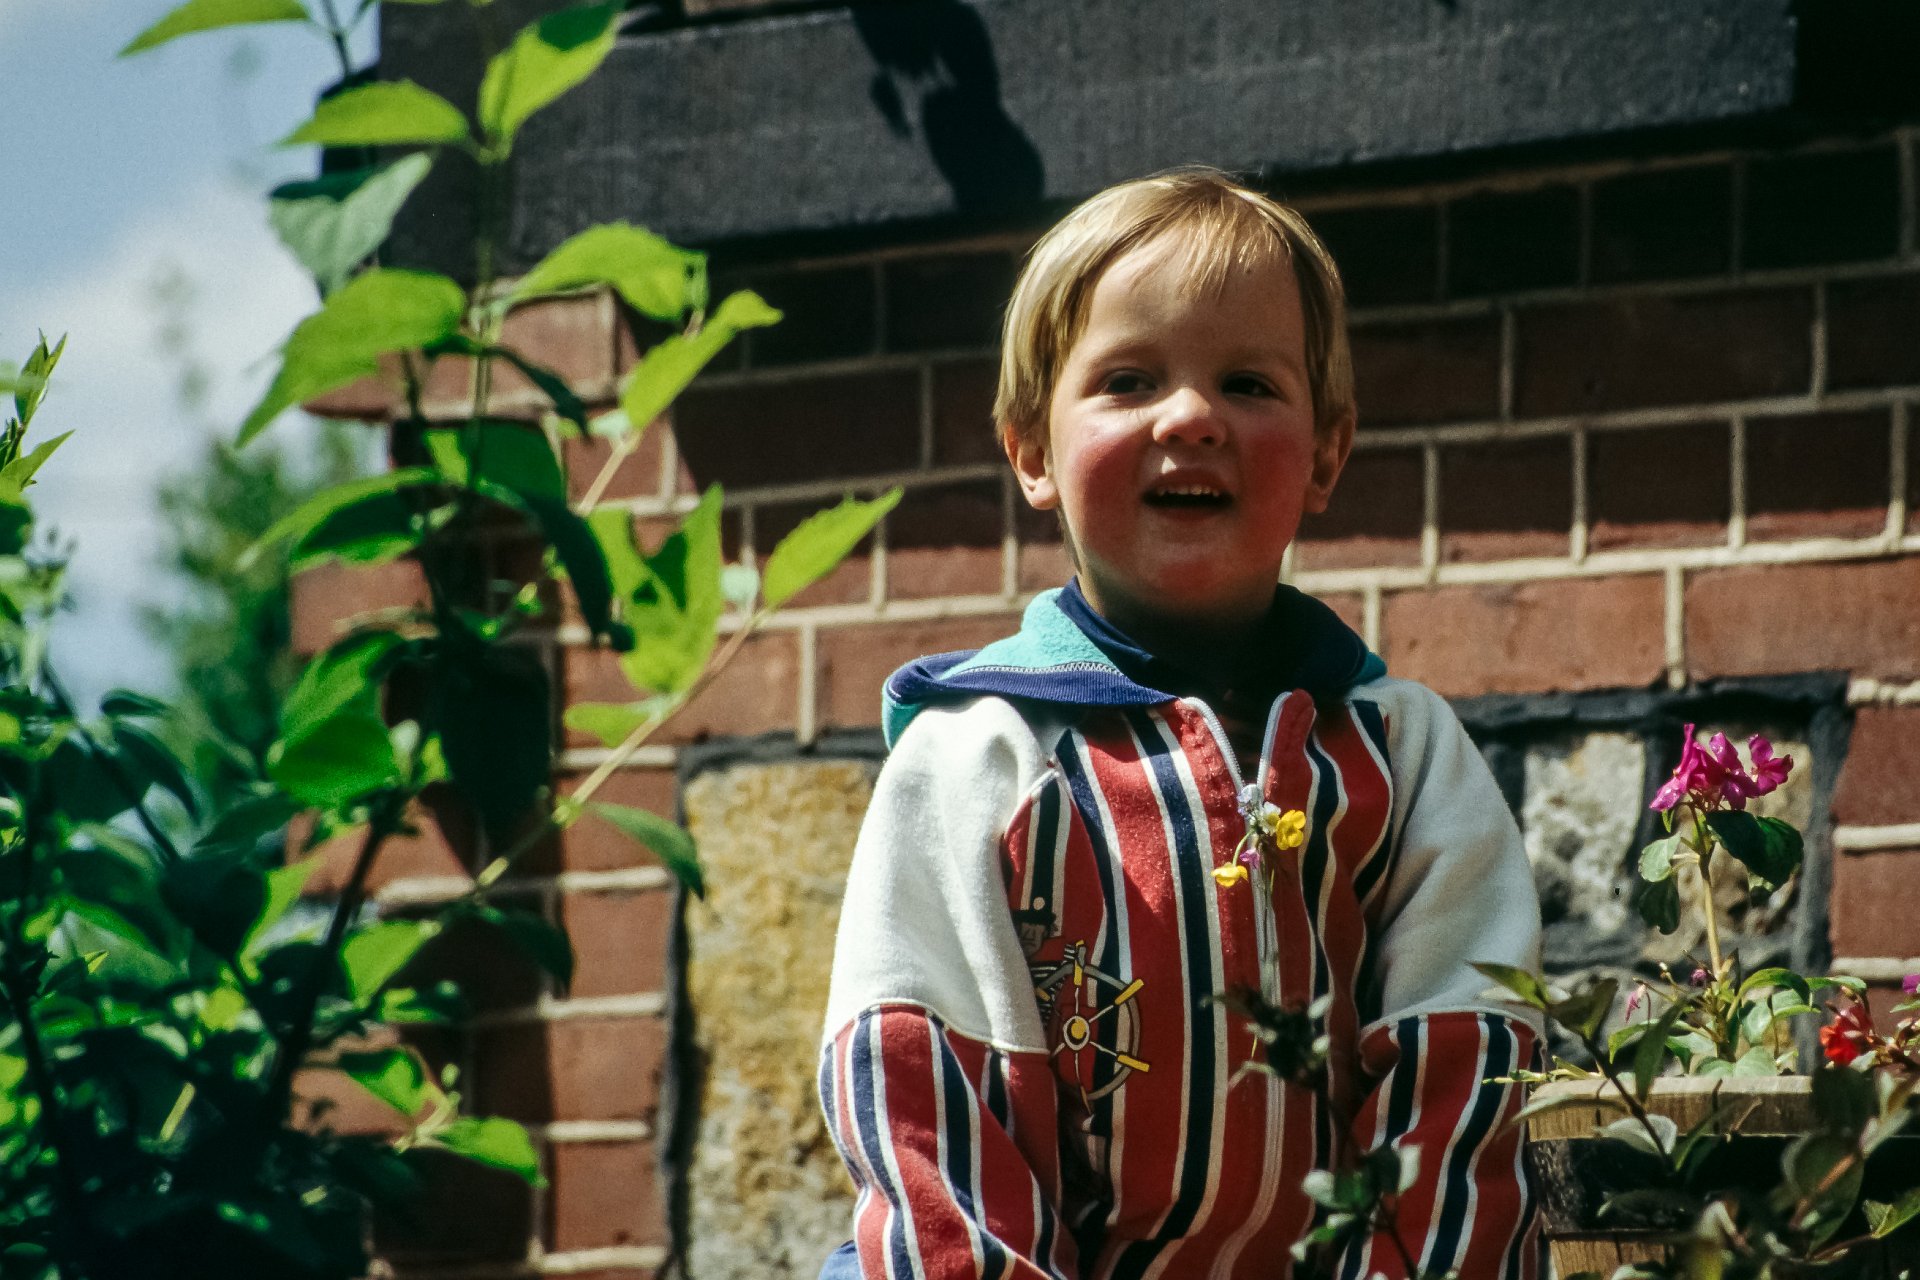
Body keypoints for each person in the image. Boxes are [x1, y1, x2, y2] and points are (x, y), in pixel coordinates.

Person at [815, 167, 1544, 1280]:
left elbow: (1466, 1078)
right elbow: (929, 1111)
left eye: (1248, 382)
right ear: (1031, 451)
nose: (1193, 417)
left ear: (1328, 453)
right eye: (1128, 380)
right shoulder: (976, 760)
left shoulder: (1404, 755)